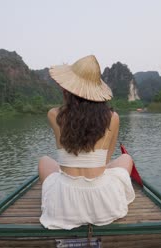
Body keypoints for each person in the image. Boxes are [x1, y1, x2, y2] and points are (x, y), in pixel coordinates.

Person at [38, 55, 135, 230]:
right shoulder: (113, 118)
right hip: (103, 199)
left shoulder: (54, 115)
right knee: (126, 159)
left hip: (64, 201)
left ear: (68, 87)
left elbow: (62, 156)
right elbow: (106, 161)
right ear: (97, 91)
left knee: (44, 161)